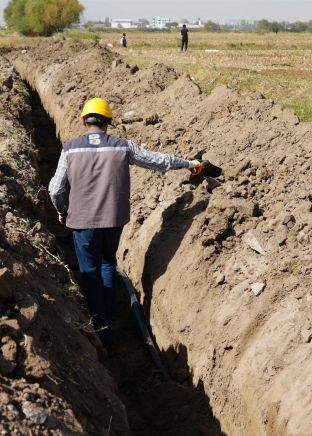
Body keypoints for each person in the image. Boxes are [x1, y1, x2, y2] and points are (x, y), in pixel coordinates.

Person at [49, 98, 201, 349]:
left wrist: (62, 210)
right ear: (108, 122)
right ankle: (110, 314)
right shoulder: (122, 147)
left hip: (82, 222)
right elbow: (156, 160)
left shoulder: (70, 148)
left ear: (84, 121)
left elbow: (55, 189)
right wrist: (188, 163)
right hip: (114, 220)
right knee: (108, 261)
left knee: (89, 271)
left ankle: (101, 329)